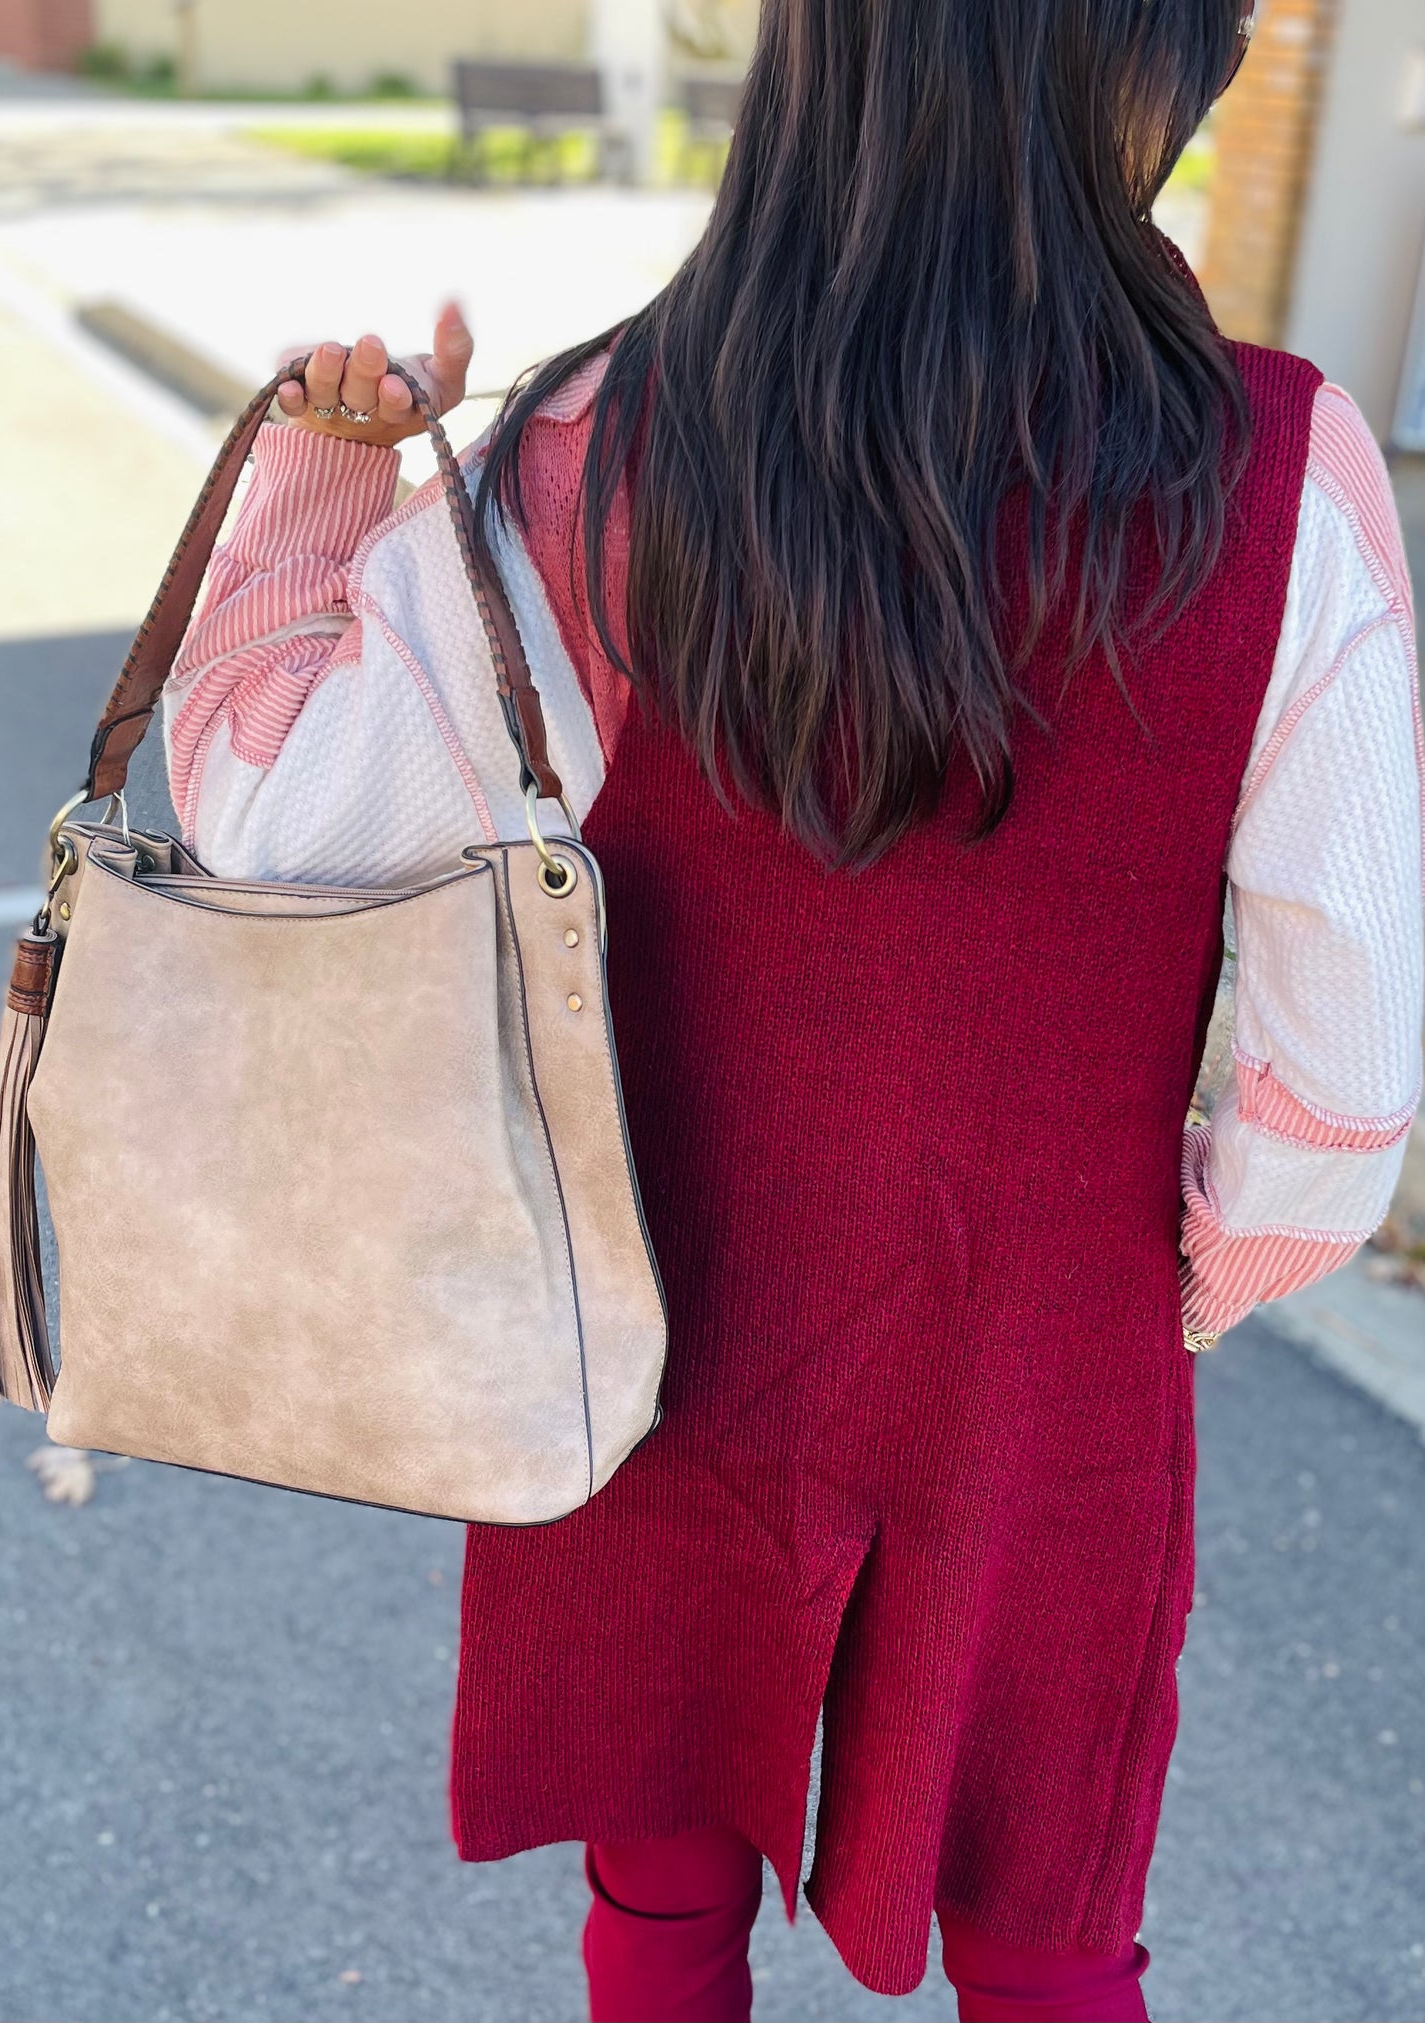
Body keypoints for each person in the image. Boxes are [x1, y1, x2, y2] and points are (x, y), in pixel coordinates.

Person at [161, 0, 1422, 2010]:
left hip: (650, 1326)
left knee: (660, 1895)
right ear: (1131, 84)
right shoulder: (1276, 473)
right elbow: (1340, 1087)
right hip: (1043, 1380)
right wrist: (1185, 1252)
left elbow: (282, 827)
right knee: (1049, 1936)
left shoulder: (598, 449)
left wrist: (322, 481)